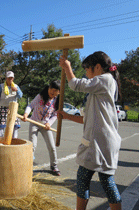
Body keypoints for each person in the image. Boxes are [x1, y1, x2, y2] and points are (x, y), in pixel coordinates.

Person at [59, 51, 122, 210]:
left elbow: (75, 85)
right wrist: (67, 116)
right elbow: (86, 119)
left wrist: (67, 68)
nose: (87, 74)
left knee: (88, 180)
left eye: (87, 69)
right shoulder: (100, 89)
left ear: (98, 67)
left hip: (100, 143)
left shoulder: (104, 79)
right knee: (104, 181)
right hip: (102, 142)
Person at [22, 80, 61, 176]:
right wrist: (26, 114)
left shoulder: (57, 101)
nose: (52, 91)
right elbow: (31, 105)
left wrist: (49, 123)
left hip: (45, 125)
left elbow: (56, 115)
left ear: (59, 92)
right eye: (51, 88)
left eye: (55, 90)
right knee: (32, 146)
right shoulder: (41, 96)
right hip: (34, 122)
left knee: (52, 146)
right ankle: (28, 166)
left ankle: (54, 166)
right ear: (48, 88)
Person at [0, 71, 23, 138]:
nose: (10, 79)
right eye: (9, 78)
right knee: (1, 125)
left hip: (13, 109)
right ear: (6, 78)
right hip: (3, 107)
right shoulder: (1, 86)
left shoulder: (16, 86)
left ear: (13, 79)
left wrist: (17, 90)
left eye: (11, 78)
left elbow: (20, 96)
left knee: (15, 125)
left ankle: (14, 139)